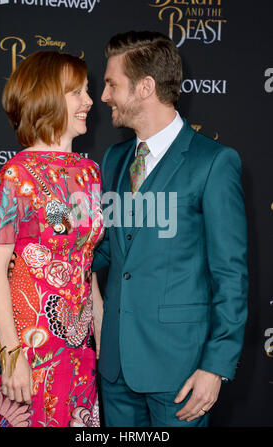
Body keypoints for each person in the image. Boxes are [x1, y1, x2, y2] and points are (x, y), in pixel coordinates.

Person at [90, 30, 248, 427]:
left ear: (145, 87)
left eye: (111, 84)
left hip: (181, 370)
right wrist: (47, 252)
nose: (104, 95)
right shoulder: (114, 158)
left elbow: (230, 275)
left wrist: (216, 366)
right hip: (115, 366)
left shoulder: (213, 162)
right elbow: (108, 247)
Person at [0, 50, 104, 427]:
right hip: (27, 346)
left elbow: (85, 261)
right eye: (77, 92)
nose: (90, 101)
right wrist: (12, 354)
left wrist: (102, 338)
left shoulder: (89, 173)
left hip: (79, 347)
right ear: (48, 97)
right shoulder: (15, 177)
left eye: (88, 91)